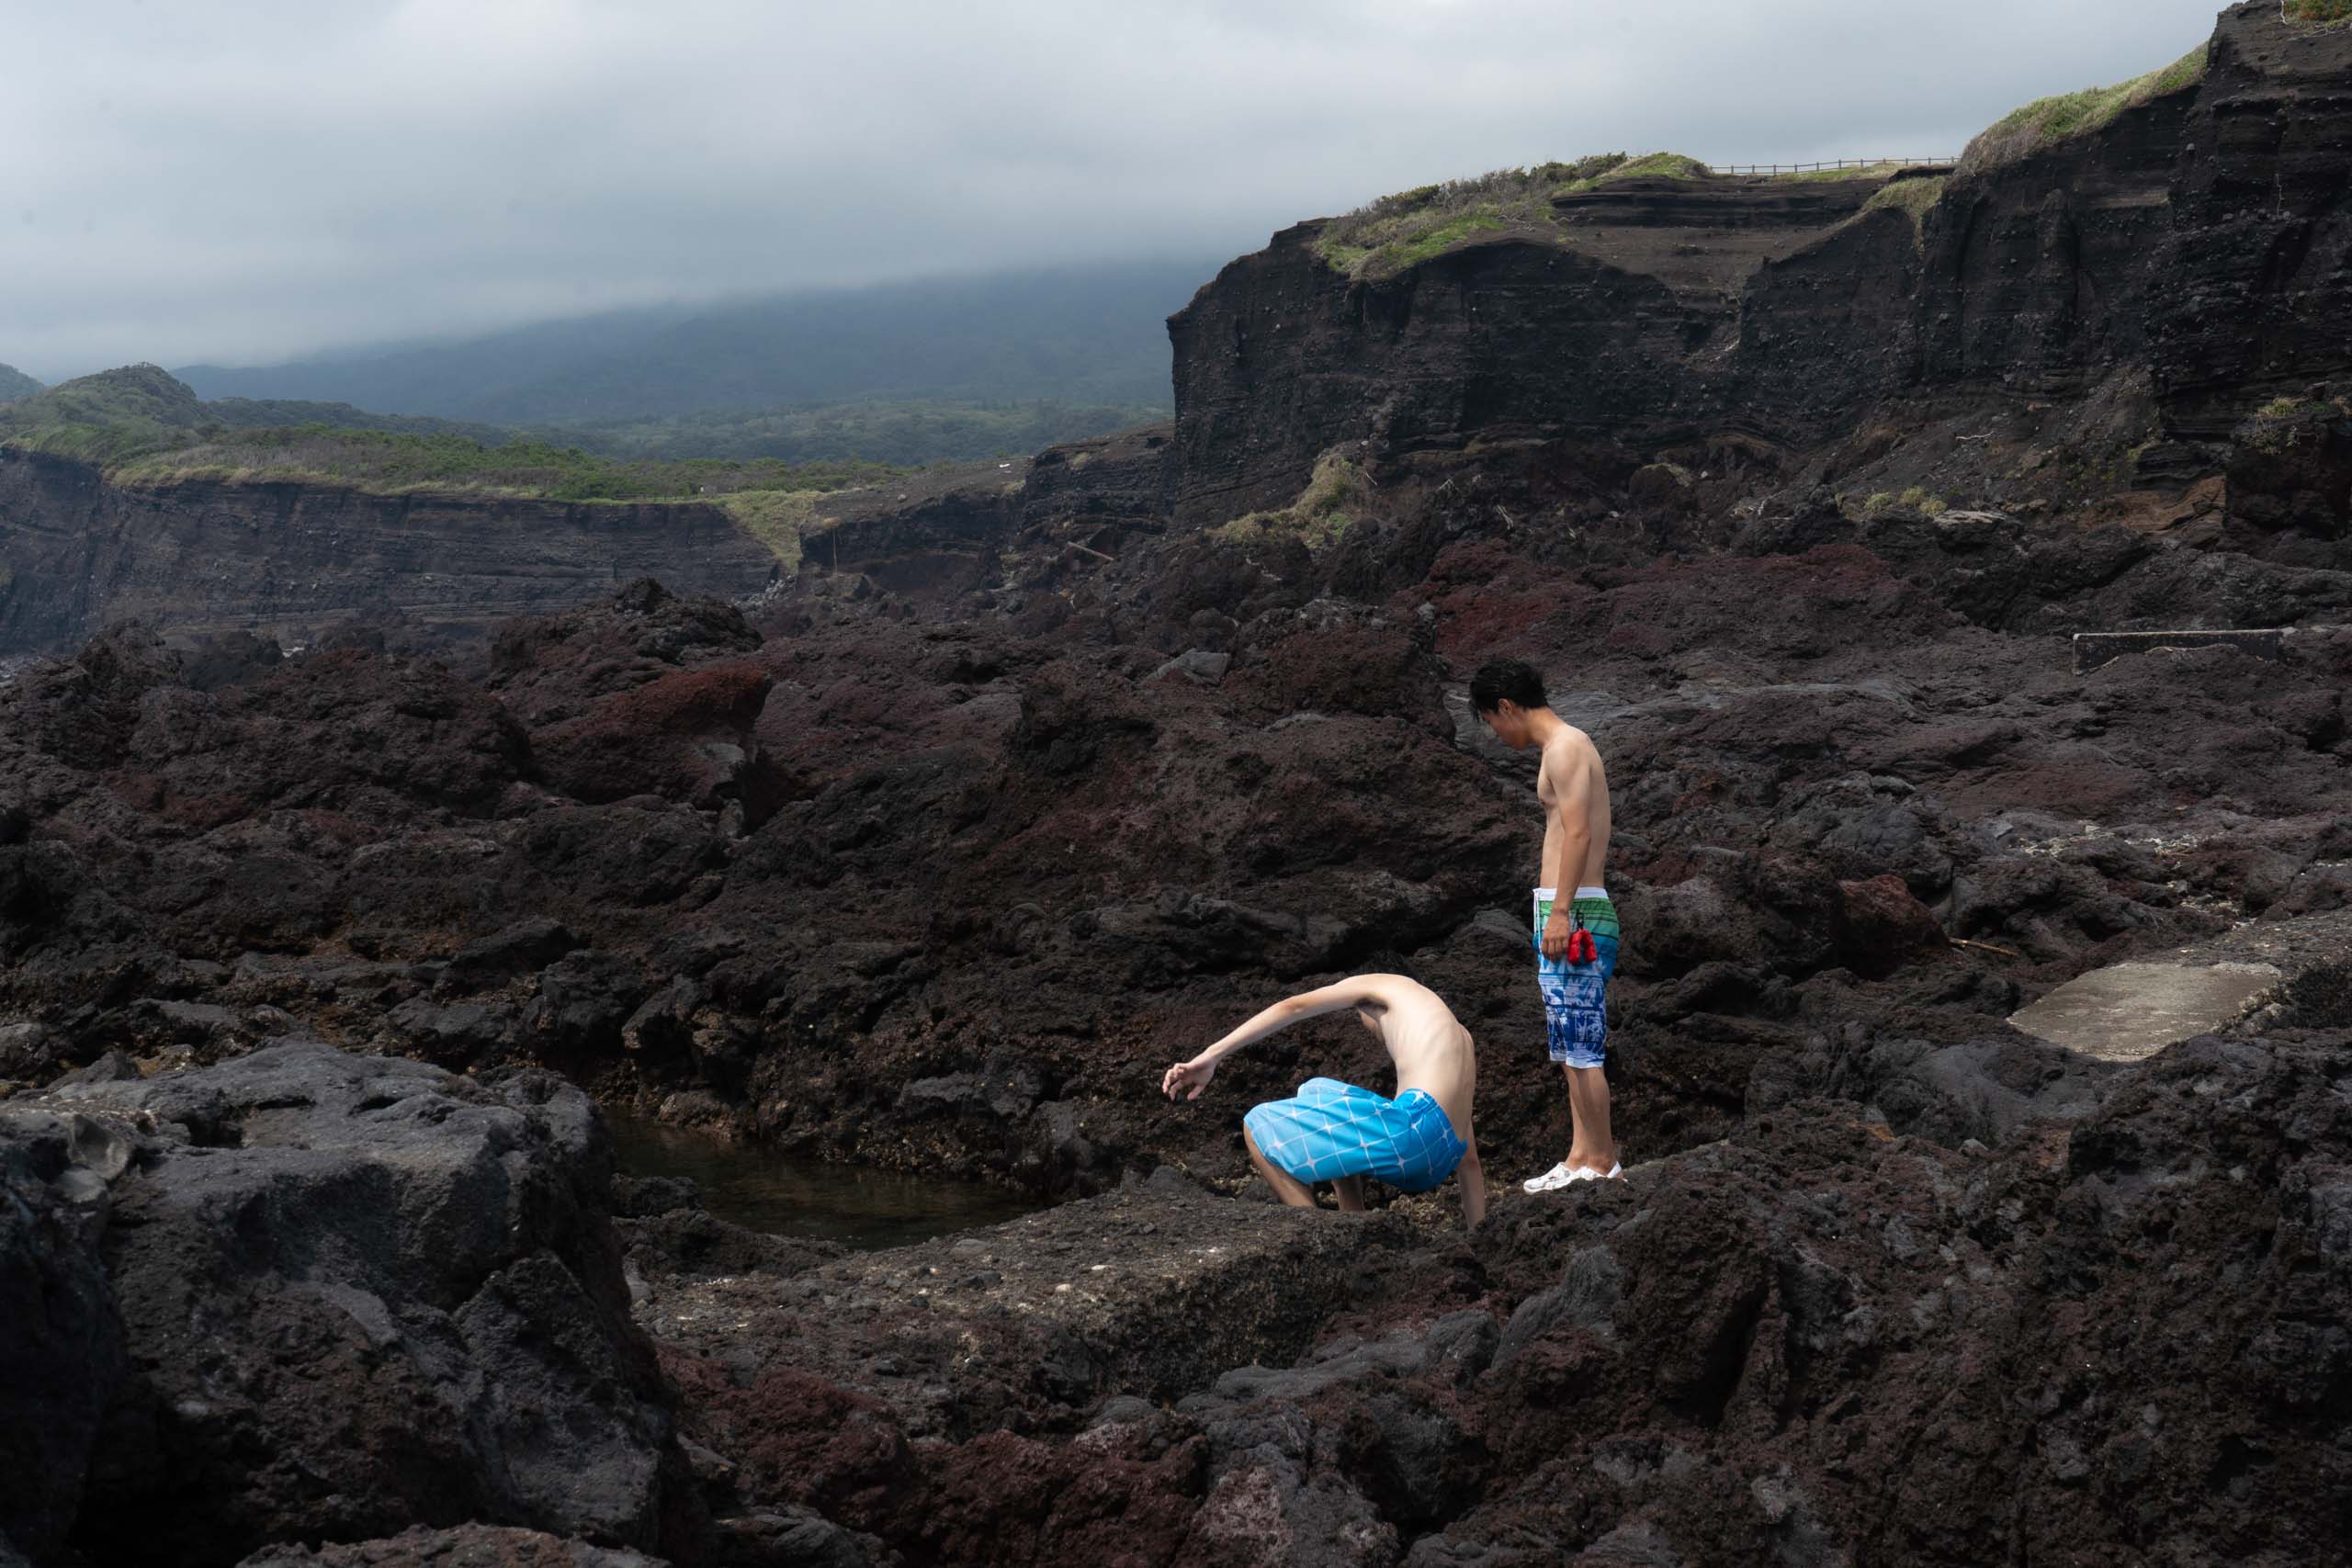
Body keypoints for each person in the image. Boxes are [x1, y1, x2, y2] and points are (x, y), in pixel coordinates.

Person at [1159, 974, 1486, 1226]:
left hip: (1411, 1133)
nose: (1375, 1033)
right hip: (1440, 1155)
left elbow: (1293, 1007)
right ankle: (1353, 1222)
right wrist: (1481, 1240)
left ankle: (1321, 1236)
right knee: (1318, 1092)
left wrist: (1212, 1056)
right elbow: (1469, 1164)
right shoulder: (1458, 1038)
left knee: (1256, 1125)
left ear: (1370, 1005)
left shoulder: (1386, 987)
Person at [1469, 657, 1623, 1190]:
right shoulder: (1562, 747)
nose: (1496, 732)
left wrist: (1559, 912)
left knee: (1582, 1047)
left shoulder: (1566, 747)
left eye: (1491, 721)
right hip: (1563, 908)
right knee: (1566, 1044)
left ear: (1506, 707)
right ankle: (1580, 1157)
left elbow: (1578, 834)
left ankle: (1602, 1163)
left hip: (1575, 912)